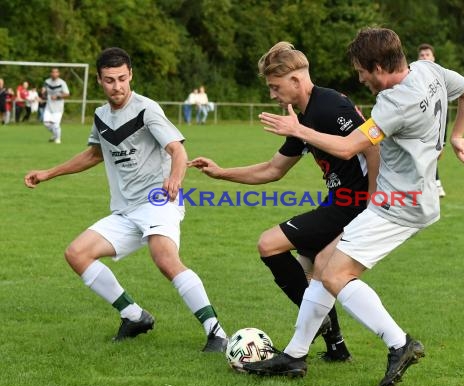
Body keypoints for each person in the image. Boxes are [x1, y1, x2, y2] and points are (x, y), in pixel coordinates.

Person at [243, 28, 464, 386]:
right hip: (418, 197)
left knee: (335, 274)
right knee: (323, 264)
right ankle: (295, 355)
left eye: (361, 71)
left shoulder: (393, 102)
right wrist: (458, 136)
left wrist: (299, 130)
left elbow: (347, 147)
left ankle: (399, 343)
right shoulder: (428, 70)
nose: (360, 79)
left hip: (397, 203)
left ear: (376, 66)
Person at [24, 47, 228, 352]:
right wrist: (48, 173)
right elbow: (93, 154)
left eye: (122, 78)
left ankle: (217, 332)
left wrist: (175, 178)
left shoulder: (147, 109)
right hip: (126, 209)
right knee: (77, 254)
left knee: (164, 258)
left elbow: (177, 149)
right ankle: (134, 316)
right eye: (109, 80)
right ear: (99, 80)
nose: (117, 86)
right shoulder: (101, 115)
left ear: (130, 75)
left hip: (158, 200)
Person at [189, 41, 380, 362]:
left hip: (353, 204)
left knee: (270, 244)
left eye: (275, 87)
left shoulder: (329, 105)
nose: (272, 95)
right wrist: (221, 173)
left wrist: (373, 204)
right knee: (309, 276)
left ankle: (312, 345)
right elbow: (273, 169)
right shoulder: (302, 118)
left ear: (296, 80)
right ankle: (335, 348)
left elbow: (372, 147)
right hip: (337, 203)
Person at [418, 43, 447, 197]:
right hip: (418, 127)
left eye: (427, 55)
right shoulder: (413, 79)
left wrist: (444, 140)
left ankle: (435, 184)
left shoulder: (441, 78)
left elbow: (444, 110)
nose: (424, 58)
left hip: (435, 127)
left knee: (432, 155)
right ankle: (435, 185)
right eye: (421, 55)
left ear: (433, 58)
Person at [43, 68, 70, 144]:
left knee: (55, 124)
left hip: (58, 107)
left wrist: (57, 97)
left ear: (58, 74)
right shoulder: (47, 81)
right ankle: (55, 135)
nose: (54, 74)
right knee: (46, 123)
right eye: (53, 72)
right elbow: (44, 91)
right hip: (49, 106)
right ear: (51, 73)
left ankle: (58, 139)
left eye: (56, 72)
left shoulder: (62, 83)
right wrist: (43, 92)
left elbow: (67, 94)